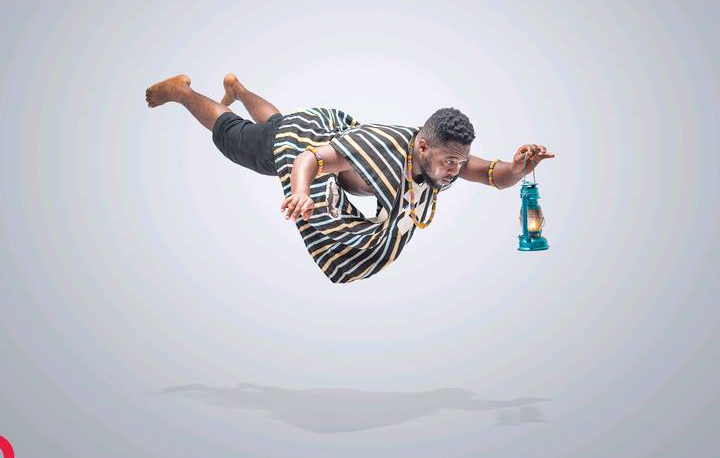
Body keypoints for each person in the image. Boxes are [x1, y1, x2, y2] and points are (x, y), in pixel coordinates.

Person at [146, 73, 555, 283]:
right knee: (240, 140)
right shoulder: (379, 151)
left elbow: (493, 175)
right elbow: (308, 158)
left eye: (459, 162)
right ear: (422, 147)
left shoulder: (443, 161)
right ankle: (183, 91)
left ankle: (237, 87)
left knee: (274, 124)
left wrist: (519, 167)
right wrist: (301, 193)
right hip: (305, 143)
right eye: (450, 161)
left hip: (327, 129)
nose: (455, 170)